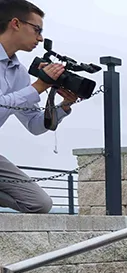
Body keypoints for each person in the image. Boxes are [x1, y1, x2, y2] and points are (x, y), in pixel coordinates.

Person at [0, 0, 78, 213]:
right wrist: (38, 86)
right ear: (15, 23)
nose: (40, 38)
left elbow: (35, 125)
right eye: (37, 29)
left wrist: (64, 105)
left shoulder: (18, 72)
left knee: (39, 203)